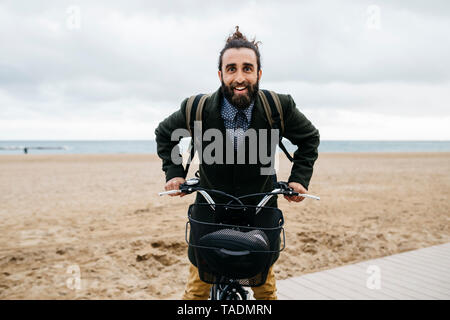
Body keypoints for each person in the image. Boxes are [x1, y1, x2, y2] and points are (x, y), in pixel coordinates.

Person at [155, 26, 320, 300]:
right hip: (211, 209)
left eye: (247, 68)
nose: (239, 77)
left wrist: (299, 179)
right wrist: (174, 173)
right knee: (196, 291)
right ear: (221, 74)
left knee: (265, 291)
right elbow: (165, 134)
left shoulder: (278, 107)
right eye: (231, 69)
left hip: (260, 211)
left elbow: (309, 138)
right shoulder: (196, 109)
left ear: (259, 73)